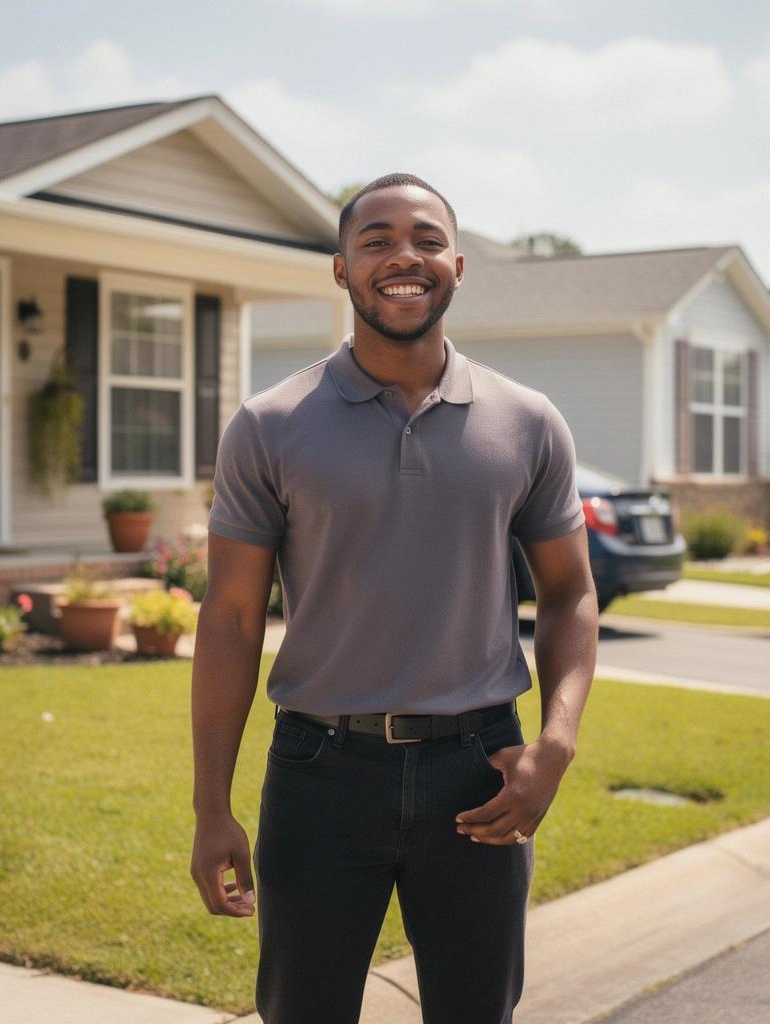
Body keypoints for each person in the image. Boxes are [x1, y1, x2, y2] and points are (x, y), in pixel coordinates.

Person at [190, 172, 599, 1024]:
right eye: (375, 240)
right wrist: (210, 805)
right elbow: (229, 619)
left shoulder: (528, 421)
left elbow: (569, 593)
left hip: (479, 770)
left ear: (456, 263)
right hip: (318, 775)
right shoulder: (270, 425)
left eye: (424, 238)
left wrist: (554, 744)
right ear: (341, 268)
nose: (401, 257)